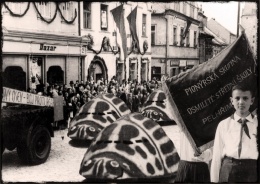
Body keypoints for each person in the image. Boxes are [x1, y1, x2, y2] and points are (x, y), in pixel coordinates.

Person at [211, 84, 258, 183]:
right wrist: (214, 181)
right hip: (228, 170)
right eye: (237, 98)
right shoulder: (223, 125)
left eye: (245, 98)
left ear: (252, 100)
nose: (241, 102)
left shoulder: (257, 124)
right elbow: (216, 156)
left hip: (252, 171)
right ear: (232, 101)